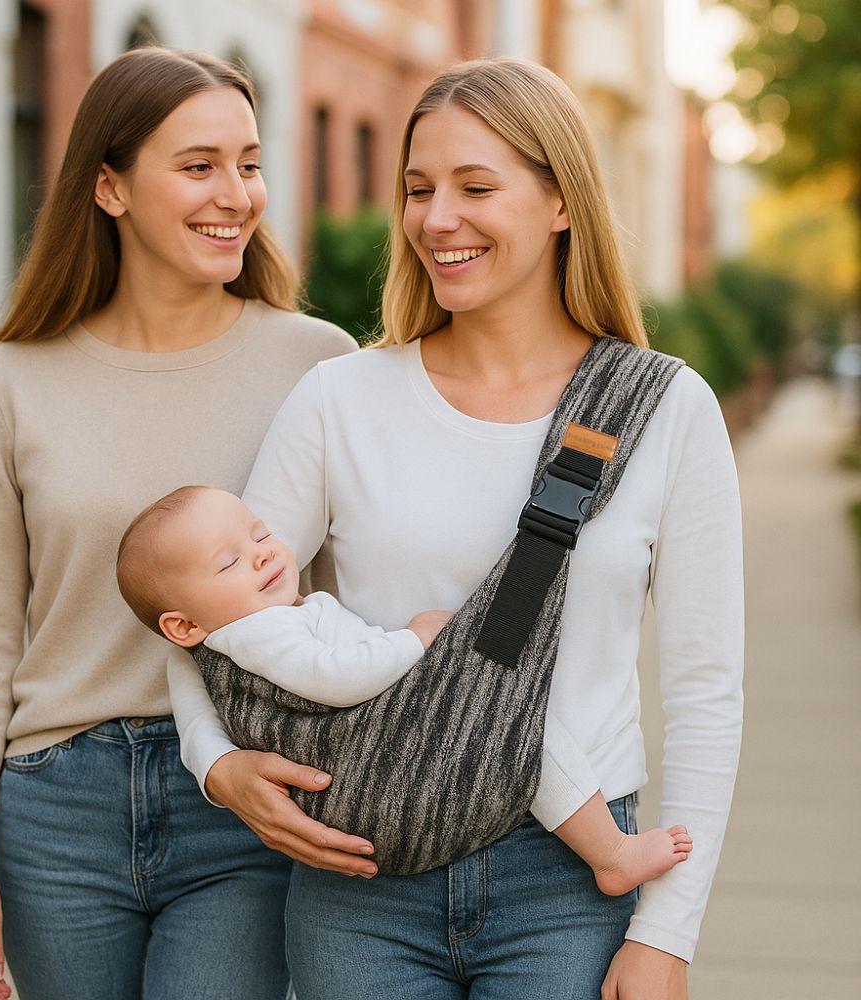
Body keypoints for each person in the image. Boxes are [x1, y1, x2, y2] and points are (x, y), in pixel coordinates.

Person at [168, 58, 743, 999]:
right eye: (418, 189)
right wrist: (219, 763)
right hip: (363, 879)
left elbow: (707, 691)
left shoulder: (664, 409)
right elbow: (208, 615)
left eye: (477, 186)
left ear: (562, 202)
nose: (438, 219)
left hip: (568, 881)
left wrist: (668, 933)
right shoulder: (341, 400)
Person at [0, 47, 357, 1000]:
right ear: (110, 188)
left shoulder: (317, 365)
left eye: (249, 163)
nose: (237, 194)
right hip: (55, 812)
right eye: (198, 165)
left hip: (242, 798)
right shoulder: (10, 383)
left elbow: (345, 598)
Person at [123, 484, 693, 897]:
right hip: (386, 747)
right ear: (183, 625)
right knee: (518, 732)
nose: (263, 553)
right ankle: (610, 852)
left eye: (260, 533)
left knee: (513, 731)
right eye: (229, 562)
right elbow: (335, 678)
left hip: (383, 777)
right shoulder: (259, 632)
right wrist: (414, 641)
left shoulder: (221, 641)